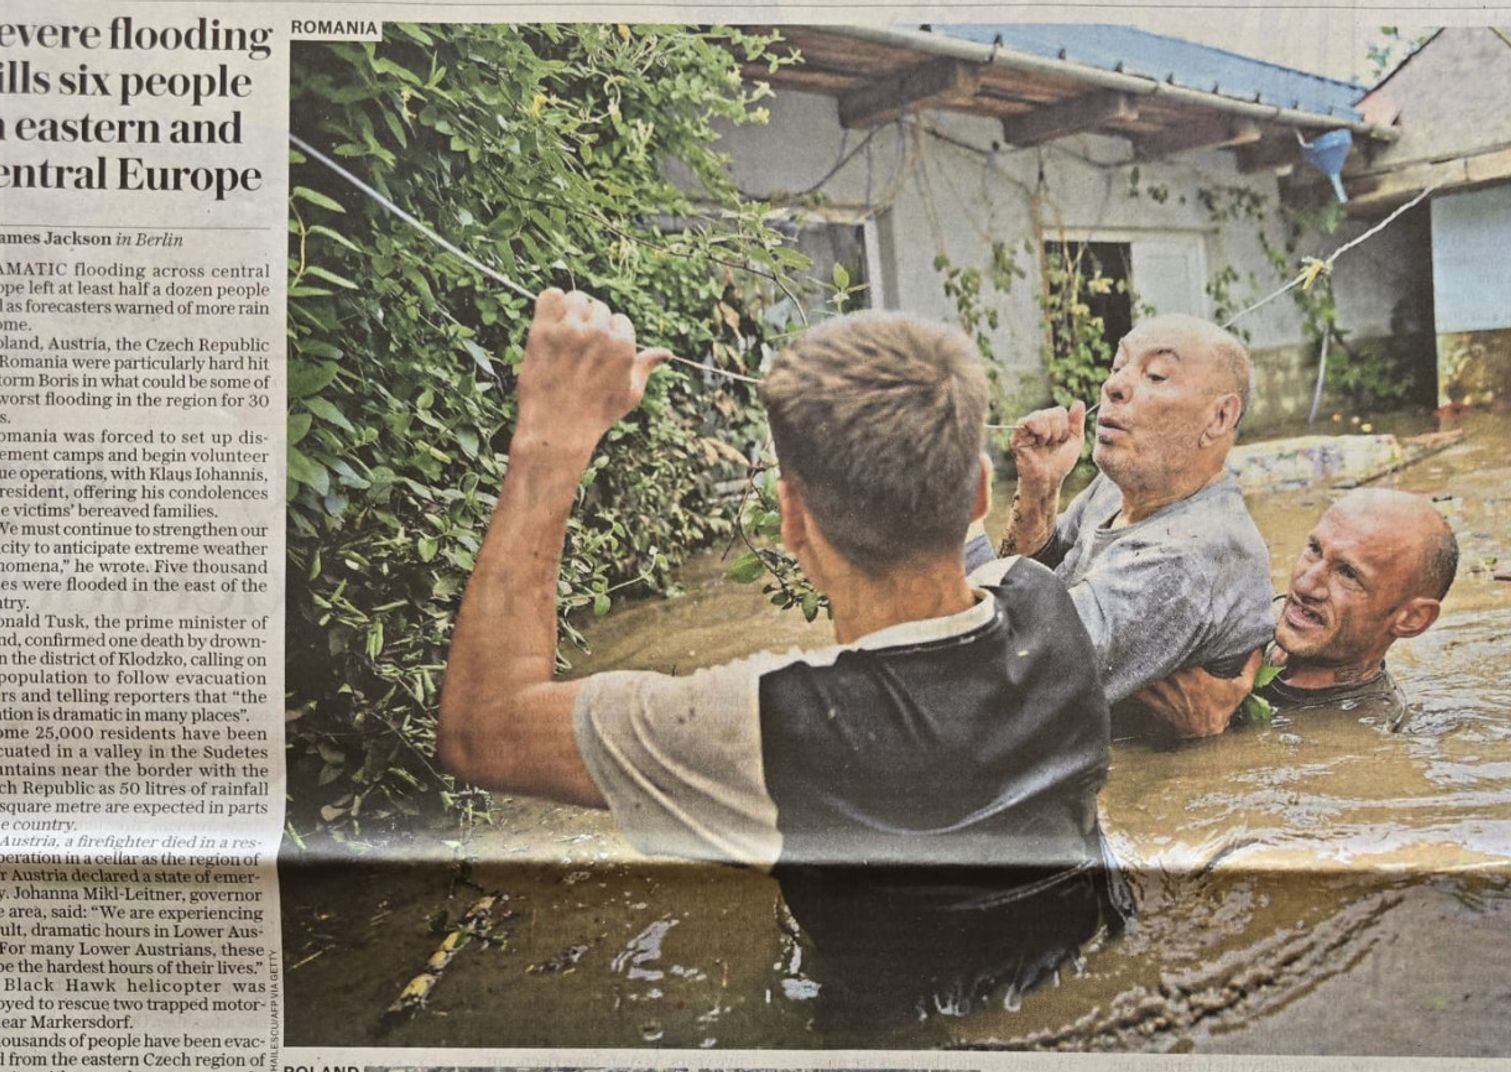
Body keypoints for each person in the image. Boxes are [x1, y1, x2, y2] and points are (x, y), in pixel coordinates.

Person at [439, 292, 1128, 1026]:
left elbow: (482, 728)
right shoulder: (1049, 604)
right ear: (980, 494)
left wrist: (549, 439)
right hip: (1091, 968)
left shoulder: (764, 722)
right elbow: (986, 582)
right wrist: (1041, 494)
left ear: (791, 519)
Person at [968, 314, 1275, 715]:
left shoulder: (1188, 557)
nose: (1112, 386)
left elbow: (994, 674)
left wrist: (959, 512)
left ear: (1219, 417)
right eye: (1118, 368)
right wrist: (1038, 492)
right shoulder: (1120, 487)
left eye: (1157, 376)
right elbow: (1031, 580)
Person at [1138, 488, 1459, 738]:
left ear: (1411, 619)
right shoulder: (1242, 618)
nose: (1305, 584)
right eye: (1314, 550)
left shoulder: (1365, 738)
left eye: (1348, 574)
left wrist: (1201, 735)